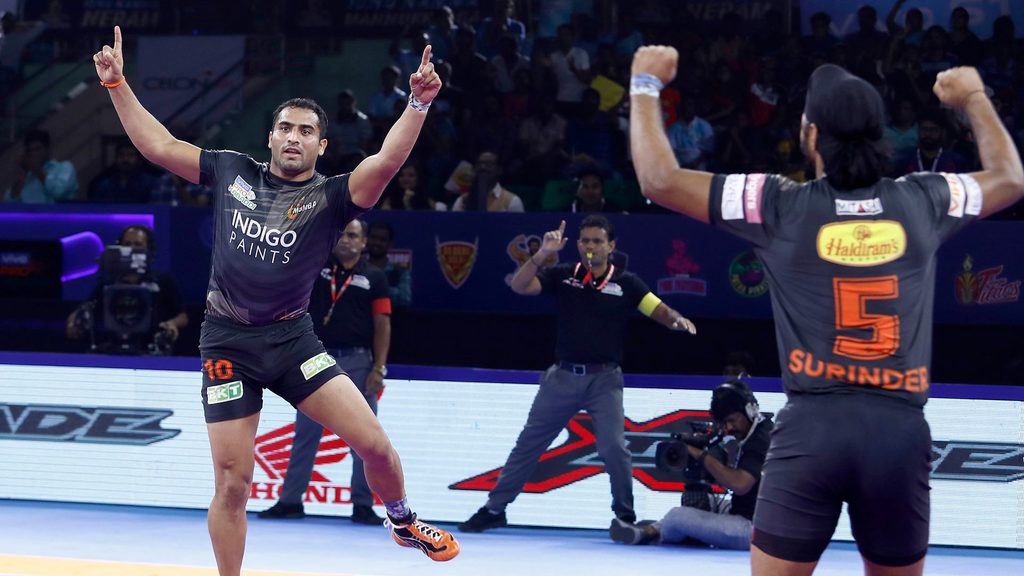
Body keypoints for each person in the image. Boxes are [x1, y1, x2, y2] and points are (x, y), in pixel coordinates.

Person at [630, 45, 1023, 575]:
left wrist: (645, 84)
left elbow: (659, 180)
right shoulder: (923, 200)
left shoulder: (777, 203)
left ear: (810, 134)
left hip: (812, 433)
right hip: (897, 435)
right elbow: (1010, 177)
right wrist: (973, 95)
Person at [93, 27, 457, 574]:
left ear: (321, 145)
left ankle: (403, 521)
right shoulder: (230, 170)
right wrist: (118, 83)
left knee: (376, 445)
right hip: (227, 342)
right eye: (285, 127)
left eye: (306, 131)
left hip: (292, 341)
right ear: (270, 136)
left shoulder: (333, 197)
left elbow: (384, 162)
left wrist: (418, 104)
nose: (294, 137)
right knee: (233, 484)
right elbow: (160, 146)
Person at [458, 216, 697, 533]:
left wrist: (677, 320)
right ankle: (495, 508)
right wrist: (544, 253)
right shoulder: (564, 275)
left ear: (610, 247)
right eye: (585, 240)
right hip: (563, 378)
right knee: (529, 444)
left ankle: (625, 515)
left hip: (605, 380)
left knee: (613, 447)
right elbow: (519, 285)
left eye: (597, 241)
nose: (590, 246)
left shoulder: (627, 283)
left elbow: (659, 309)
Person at [259, 220, 392, 526]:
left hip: (358, 360)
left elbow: (383, 323)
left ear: (364, 242)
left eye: (354, 235)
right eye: (342, 234)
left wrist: (379, 367)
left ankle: (362, 504)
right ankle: (290, 501)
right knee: (306, 432)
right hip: (316, 359)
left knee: (364, 436)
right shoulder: (317, 270)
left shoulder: (375, 277)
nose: (346, 240)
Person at [609, 380, 773, 549]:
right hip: (750, 514)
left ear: (750, 410)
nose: (729, 428)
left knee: (677, 516)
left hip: (753, 530)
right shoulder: (761, 428)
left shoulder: (759, 440)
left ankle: (651, 533)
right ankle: (657, 528)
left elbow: (740, 484)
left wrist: (701, 455)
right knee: (700, 500)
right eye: (725, 423)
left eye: (732, 420)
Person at [66, 224, 188, 355]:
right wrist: (73, 321)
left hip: (152, 350)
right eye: (127, 244)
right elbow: (85, 309)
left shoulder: (162, 281)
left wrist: (172, 324)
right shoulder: (108, 284)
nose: (132, 249)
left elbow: (182, 316)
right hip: (112, 350)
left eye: (138, 244)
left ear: (149, 250)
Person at [4, 129, 79, 203]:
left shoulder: (65, 167)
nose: (34, 153)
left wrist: (37, 170)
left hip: (56, 214)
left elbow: (59, 192)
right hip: (29, 214)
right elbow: (9, 202)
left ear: (48, 149)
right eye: (30, 150)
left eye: (38, 149)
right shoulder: (27, 176)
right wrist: (22, 176)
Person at [451, 151, 524, 212]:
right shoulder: (462, 200)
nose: (483, 167)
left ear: (499, 170)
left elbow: (518, 228)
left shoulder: (512, 201)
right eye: (479, 164)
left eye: (489, 164)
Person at [366, 222, 412, 307]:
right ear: (366, 240)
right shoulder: (357, 269)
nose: (377, 242)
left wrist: (376, 287)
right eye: (373, 238)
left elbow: (404, 300)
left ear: (390, 244)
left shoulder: (399, 271)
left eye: (382, 240)